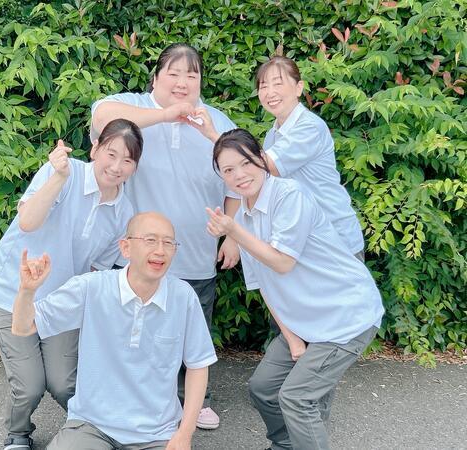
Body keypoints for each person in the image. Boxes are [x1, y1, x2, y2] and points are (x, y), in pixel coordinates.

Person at [90, 43, 239, 429]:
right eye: (173, 73)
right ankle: (127, 400)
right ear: (155, 78)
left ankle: (194, 400)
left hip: (196, 252)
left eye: (191, 74)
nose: (182, 82)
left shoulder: (217, 121)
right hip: (136, 255)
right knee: (131, 331)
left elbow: (238, 181)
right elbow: (101, 116)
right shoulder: (134, 107)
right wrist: (166, 114)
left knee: (192, 331)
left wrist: (233, 236)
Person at [206, 129, 384, 450]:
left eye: (245, 163)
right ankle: (286, 445)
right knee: (263, 389)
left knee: (298, 399)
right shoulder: (244, 216)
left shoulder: (289, 195)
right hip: (305, 323)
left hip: (346, 316)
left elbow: (283, 262)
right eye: (228, 170)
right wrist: (292, 338)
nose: (239, 175)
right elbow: (265, 286)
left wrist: (233, 230)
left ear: (262, 158)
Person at [0, 119, 143, 450]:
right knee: (29, 385)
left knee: (64, 383)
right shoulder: (63, 173)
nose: (116, 167)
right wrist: (59, 177)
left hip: (60, 303)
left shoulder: (123, 211)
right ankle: (18, 434)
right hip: (12, 293)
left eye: (127, 160)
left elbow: (97, 270)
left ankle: (98, 431)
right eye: (111, 154)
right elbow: (27, 222)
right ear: (95, 149)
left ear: (135, 166)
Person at [12, 212, 217, 450]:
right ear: (125, 247)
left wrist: (184, 434)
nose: (160, 250)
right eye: (150, 240)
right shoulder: (91, 287)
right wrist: (27, 291)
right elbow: (23, 326)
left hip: (156, 432)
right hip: (92, 425)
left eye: (168, 243)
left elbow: (198, 365)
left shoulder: (183, 297)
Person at [256, 56, 364, 259]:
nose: (270, 92)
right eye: (263, 86)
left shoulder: (309, 126)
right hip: (305, 242)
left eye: (278, 83)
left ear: (299, 88)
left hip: (336, 242)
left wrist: (213, 135)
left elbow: (265, 166)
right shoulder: (273, 135)